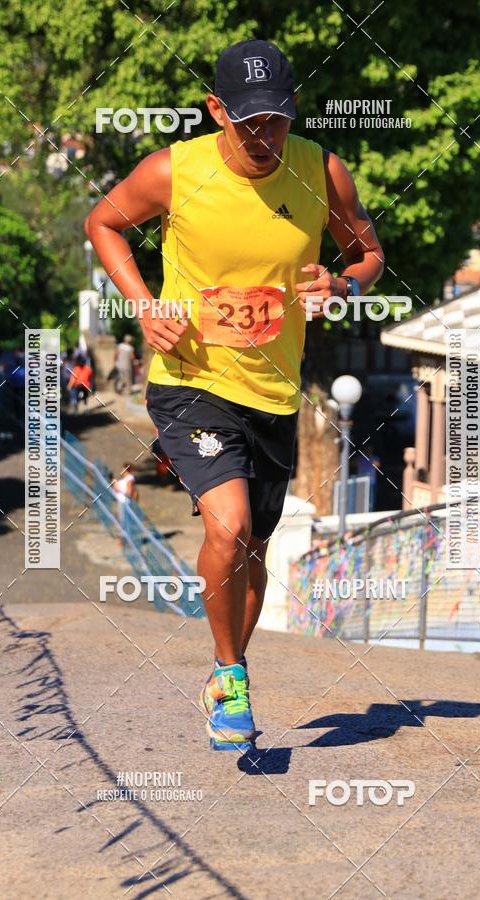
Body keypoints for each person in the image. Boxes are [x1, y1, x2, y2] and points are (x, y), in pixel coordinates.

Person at [85, 39, 384, 750]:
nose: (263, 137)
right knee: (227, 525)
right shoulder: (172, 171)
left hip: (274, 392)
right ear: (217, 110)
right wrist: (144, 302)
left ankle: (229, 672)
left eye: (275, 120)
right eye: (247, 122)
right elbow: (104, 223)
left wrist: (344, 283)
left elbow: (370, 253)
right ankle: (231, 675)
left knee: (251, 549)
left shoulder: (321, 170)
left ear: (293, 111)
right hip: (191, 379)